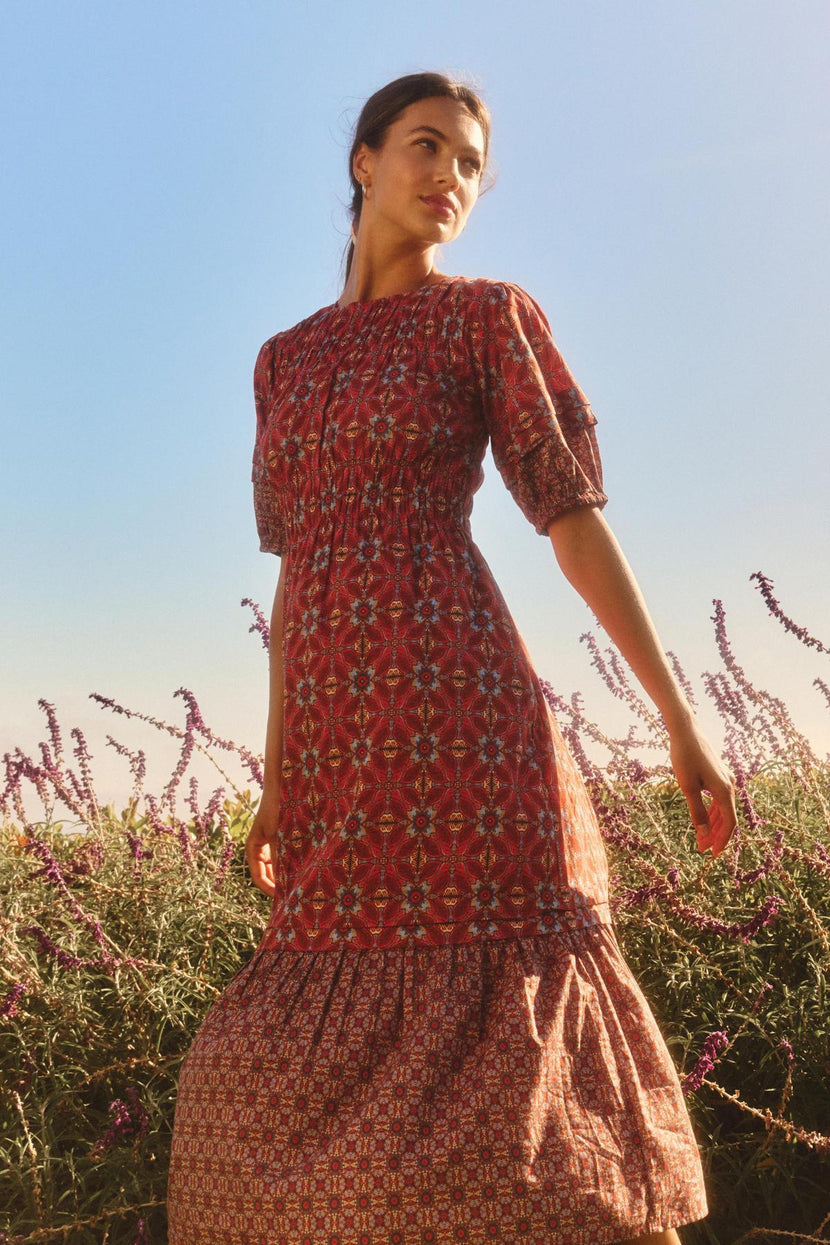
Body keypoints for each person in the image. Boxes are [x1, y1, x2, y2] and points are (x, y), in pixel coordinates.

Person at [167, 71, 738, 1244]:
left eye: (471, 163)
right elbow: (294, 569)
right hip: (334, 741)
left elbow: (569, 517)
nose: (450, 177)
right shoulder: (283, 361)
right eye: (426, 147)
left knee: (519, 1064)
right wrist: (279, 777)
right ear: (363, 163)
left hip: (463, 722)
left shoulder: (486, 316)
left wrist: (679, 720)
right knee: (262, 1078)